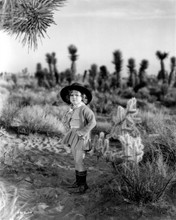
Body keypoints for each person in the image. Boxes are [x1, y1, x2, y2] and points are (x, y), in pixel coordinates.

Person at [60, 83, 96, 194]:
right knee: (76, 160)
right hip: (73, 135)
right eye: (71, 95)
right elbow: (66, 122)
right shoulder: (72, 109)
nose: (74, 97)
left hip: (81, 137)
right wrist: (68, 116)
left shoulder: (84, 109)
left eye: (77, 95)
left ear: (82, 97)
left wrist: (83, 132)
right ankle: (78, 182)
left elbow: (93, 122)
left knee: (79, 160)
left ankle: (83, 185)